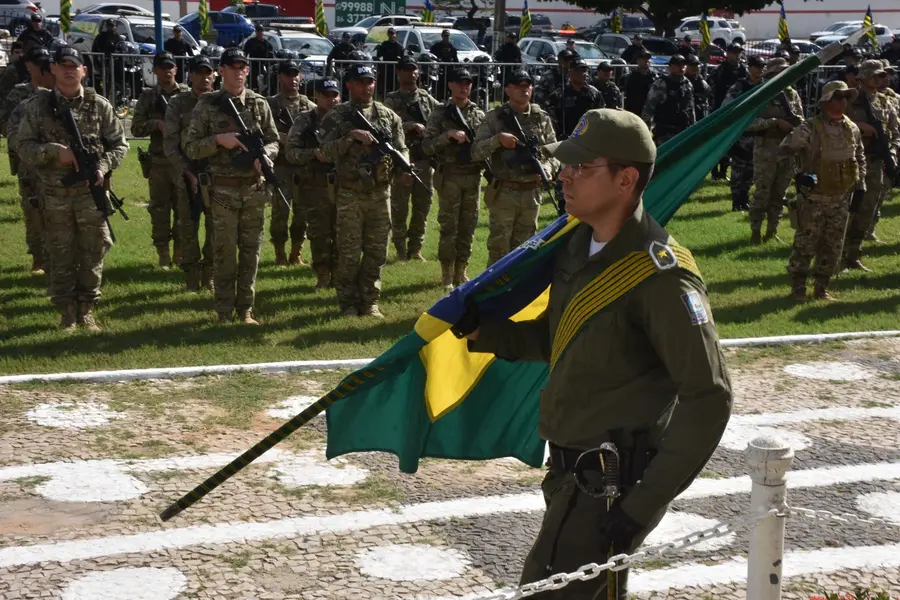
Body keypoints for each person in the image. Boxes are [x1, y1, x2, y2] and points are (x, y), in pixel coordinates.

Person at [459, 108, 732, 600]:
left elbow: (709, 395)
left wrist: (642, 505)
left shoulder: (661, 276)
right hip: (567, 474)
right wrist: (487, 332)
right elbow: (558, 338)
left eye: (582, 168)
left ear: (626, 179)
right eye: (566, 164)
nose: (565, 176)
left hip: (609, 488)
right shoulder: (576, 246)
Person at [17, 46, 129, 331]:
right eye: (62, 65)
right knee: (60, 252)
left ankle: (87, 308)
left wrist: (103, 166)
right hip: (54, 194)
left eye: (74, 65)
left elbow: (120, 145)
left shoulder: (99, 105)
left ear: (84, 71)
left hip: (90, 193)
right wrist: (53, 152)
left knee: (94, 250)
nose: (69, 70)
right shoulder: (36, 106)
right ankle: (67, 311)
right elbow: (23, 147)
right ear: (52, 69)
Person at [184, 48, 280, 325]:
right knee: (224, 252)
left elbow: (274, 140)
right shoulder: (207, 105)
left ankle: (246, 309)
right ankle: (224, 310)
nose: (238, 71)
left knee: (251, 252)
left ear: (248, 70)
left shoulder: (259, 103)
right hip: (222, 190)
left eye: (243, 66)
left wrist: (267, 157)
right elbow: (190, 147)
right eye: (232, 66)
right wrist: (218, 140)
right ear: (221, 70)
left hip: (253, 188)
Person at [317, 64, 408, 318]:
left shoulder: (388, 116)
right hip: (350, 194)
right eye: (360, 82)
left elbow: (402, 147)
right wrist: (349, 138)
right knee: (348, 251)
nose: (366, 86)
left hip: (380, 194)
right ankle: (347, 302)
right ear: (349, 85)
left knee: (377, 251)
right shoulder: (336, 116)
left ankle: (370, 302)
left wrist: (405, 166)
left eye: (370, 81)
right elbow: (323, 152)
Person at [780, 81, 865, 301]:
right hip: (814, 199)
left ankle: (821, 288)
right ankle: (798, 288)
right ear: (827, 100)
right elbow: (784, 151)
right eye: (838, 97)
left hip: (840, 198)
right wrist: (799, 175)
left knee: (832, 245)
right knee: (805, 244)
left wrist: (860, 187)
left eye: (846, 97)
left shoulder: (852, 128)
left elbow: (859, 159)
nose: (843, 101)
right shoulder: (810, 127)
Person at [472, 68, 557, 266]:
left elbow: (554, 152)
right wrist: (497, 140)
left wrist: (547, 168)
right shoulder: (495, 117)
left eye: (527, 86)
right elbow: (476, 152)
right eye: (519, 86)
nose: (524, 90)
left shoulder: (540, 117)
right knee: (499, 250)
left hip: (531, 194)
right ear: (508, 90)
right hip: (504, 192)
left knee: (526, 251)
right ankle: (492, 292)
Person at [423, 68, 486, 289]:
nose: (464, 86)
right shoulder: (440, 113)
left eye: (468, 83)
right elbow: (426, 146)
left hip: (473, 176)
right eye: (460, 82)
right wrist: (446, 136)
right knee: (449, 225)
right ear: (450, 85)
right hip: (450, 176)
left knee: (468, 225)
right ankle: (447, 273)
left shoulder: (479, 114)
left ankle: (462, 270)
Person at [163, 56, 217, 293]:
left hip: (216, 175)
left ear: (214, 76)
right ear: (190, 76)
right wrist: (185, 171)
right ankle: (191, 277)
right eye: (199, 73)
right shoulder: (178, 103)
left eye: (208, 73)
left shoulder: (222, 101)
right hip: (186, 174)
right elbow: (170, 143)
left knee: (216, 228)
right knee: (187, 228)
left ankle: (211, 274)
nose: (204, 77)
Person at [131, 52, 189, 269]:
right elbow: (136, 127)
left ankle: (180, 254)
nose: (167, 71)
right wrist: (156, 125)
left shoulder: (186, 94)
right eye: (162, 67)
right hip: (159, 163)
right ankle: (163, 254)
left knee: (184, 210)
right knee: (159, 210)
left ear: (176, 69)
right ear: (154, 70)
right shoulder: (148, 97)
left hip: (182, 161)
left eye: (170, 67)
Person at [1, 47, 55, 275]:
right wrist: (27, 144)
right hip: (29, 163)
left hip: (55, 164)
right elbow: (6, 124)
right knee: (33, 210)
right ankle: (38, 258)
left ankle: (59, 258)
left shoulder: (59, 95)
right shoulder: (19, 94)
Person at [842, 59, 900, 271]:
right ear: (864, 76)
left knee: (867, 210)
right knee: (849, 209)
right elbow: (835, 122)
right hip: (853, 161)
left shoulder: (885, 101)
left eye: (882, 75)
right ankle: (836, 254)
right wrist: (859, 126)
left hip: (877, 163)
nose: (881, 79)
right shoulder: (850, 99)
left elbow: (895, 131)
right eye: (876, 75)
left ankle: (853, 255)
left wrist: (892, 152)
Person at [285, 77, 341, 291]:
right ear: (317, 96)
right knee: (319, 234)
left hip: (345, 184)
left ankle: (341, 277)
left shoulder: (346, 118)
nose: (331, 100)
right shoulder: (305, 120)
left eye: (335, 95)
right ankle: (323, 276)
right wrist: (313, 154)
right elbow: (290, 153)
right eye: (327, 96)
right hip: (315, 186)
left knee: (343, 233)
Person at [385, 55, 439, 262]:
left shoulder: (426, 98)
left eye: (415, 69)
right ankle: (399, 249)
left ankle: (415, 248)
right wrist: (410, 126)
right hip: (402, 161)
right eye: (407, 69)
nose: (412, 73)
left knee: (422, 206)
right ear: (399, 73)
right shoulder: (392, 99)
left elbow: (440, 116)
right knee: (399, 206)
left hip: (424, 160)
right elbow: (386, 126)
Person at [745, 58, 804, 244]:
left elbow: (800, 118)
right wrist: (774, 123)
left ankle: (772, 230)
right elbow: (747, 123)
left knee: (780, 193)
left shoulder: (792, 94)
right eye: (779, 72)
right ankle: (755, 230)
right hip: (766, 150)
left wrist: (797, 127)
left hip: (787, 149)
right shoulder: (760, 93)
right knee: (762, 192)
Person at [267, 59, 315, 266]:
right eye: (288, 74)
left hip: (303, 168)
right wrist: (280, 137)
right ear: (280, 77)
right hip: (281, 167)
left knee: (302, 212)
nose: (293, 79)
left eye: (296, 74)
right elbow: (261, 132)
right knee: (279, 212)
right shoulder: (270, 105)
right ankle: (279, 253)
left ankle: (296, 253)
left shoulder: (309, 106)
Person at [724, 55, 764, 212]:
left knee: (751, 170)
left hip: (760, 133)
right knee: (738, 170)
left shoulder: (765, 86)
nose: (760, 70)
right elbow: (727, 108)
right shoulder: (739, 87)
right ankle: (736, 200)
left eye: (762, 67)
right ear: (750, 68)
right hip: (742, 134)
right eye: (757, 67)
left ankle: (745, 198)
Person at [708, 43, 747, 181]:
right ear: (728, 53)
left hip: (737, 112)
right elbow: (711, 92)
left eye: (739, 52)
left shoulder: (744, 71)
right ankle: (714, 172)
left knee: (731, 143)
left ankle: (724, 171)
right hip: (719, 110)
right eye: (734, 52)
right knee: (716, 143)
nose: (737, 55)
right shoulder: (719, 71)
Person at [641, 55, 695, 145]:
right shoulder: (662, 83)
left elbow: (691, 108)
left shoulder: (687, 84)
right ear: (670, 67)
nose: (681, 68)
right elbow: (649, 105)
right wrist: (645, 128)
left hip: (682, 130)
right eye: (678, 65)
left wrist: (693, 126)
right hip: (665, 131)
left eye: (683, 65)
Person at [548, 57, 604, 139]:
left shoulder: (594, 93)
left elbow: (601, 116)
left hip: (589, 138)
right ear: (570, 72)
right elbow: (551, 121)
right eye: (580, 71)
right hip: (566, 141)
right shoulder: (558, 95)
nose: (584, 74)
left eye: (585, 71)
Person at [622, 48, 656, 116]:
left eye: (648, 59)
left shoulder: (655, 78)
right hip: (632, 112)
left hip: (648, 112)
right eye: (643, 59)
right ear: (637, 61)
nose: (646, 61)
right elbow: (623, 95)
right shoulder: (629, 77)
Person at [91, 19, 120, 94]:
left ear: (115, 27)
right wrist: (96, 60)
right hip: (102, 61)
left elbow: (121, 48)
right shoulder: (101, 36)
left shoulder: (118, 37)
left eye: (112, 26)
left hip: (114, 63)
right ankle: (101, 92)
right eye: (109, 26)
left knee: (113, 79)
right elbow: (94, 48)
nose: (110, 28)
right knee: (101, 79)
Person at [243, 24, 275, 92]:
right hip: (253, 65)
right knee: (252, 80)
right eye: (258, 31)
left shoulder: (266, 43)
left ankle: (264, 92)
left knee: (266, 79)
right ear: (256, 32)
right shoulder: (251, 42)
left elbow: (271, 55)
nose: (260, 33)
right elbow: (245, 53)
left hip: (263, 65)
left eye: (261, 31)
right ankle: (253, 90)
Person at [374, 27, 405, 96]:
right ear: (388, 35)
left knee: (395, 86)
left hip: (396, 70)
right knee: (385, 86)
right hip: (386, 69)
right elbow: (379, 56)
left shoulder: (399, 46)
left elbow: (402, 58)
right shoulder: (384, 44)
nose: (392, 35)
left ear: (395, 35)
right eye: (390, 34)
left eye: (393, 34)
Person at [685, 55, 710, 122]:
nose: (695, 67)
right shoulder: (682, 81)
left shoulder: (702, 82)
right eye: (692, 65)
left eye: (697, 65)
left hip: (702, 118)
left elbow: (707, 100)